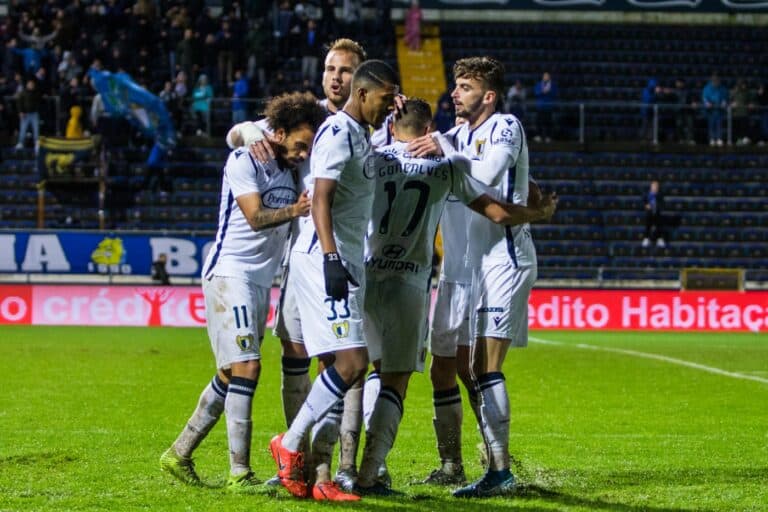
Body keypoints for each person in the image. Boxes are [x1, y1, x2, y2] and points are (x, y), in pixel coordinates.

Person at [355, 98, 556, 494]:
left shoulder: (449, 151)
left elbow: (514, 183)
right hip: (450, 277)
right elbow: (504, 202)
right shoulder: (448, 155)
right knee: (443, 370)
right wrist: (538, 210)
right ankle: (453, 464)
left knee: (469, 369)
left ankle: (496, 460)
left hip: (470, 272)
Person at [225, 38, 373, 496]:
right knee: (294, 354)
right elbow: (235, 133)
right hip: (301, 261)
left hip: (343, 257)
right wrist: (251, 134)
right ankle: (298, 462)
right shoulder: (304, 120)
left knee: (343, 360)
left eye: (346, 70)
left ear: (360, 80)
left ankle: (334, 467)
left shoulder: (364, 125)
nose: (335, 77)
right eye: (330, 68)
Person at [159, 91, 325, 492]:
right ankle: (240, 473)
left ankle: (179, 454)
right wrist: (295, 210)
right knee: (249, 366)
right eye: (299, 145)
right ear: (279, 133)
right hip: (229, 274)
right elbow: (254, 217)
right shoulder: (245, 160)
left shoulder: (291, 166)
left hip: (261, 279)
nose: (303, 154)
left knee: (230, 371)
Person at [408, 56, 543, 497]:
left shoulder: (506, 125)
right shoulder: (456, 135)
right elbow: (405, 144)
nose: (454, 92)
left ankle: (500, 470)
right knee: (442, 369)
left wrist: (443, 150)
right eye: (455, 85)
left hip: (501, 261)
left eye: (464, 86)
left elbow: (483, 176)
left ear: (488, 95)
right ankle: (452, 464)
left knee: (483, 368)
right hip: (458, 273)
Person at [268, 59, 399, 501]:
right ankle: (288, 445)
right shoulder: (339, 132)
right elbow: (320, 199)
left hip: (345, 260)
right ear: (363, 95)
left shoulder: (360, 134)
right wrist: (330, 259)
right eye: (384, 98)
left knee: (334, 369)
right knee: (352, 364)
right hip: (326, 260)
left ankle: (321, 480)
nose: (387, 106)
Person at [16, 78, 42, 151]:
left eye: (32, 84)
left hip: (34, 113)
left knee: (36, 129)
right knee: (23, 129)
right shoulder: (23, 92)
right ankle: (21, 143)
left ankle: (36, 143)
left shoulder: (36, 93)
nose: (31, 85)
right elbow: (19, 103)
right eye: (29, 84)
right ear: (27, 85)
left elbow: (39, 102)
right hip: (25, 114)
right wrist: (20, 112)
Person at [702, 73, 728, 147]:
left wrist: (724, 101)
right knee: (711, 125)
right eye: (714, 80)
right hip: (710, 110)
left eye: (717, 80)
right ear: (712, 81)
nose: (716, 82)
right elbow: (704, 97)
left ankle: (719, 138)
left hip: (719, 110)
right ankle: (712, 139)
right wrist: (706, 102)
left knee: (719, 125)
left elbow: (725, 96)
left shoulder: (722, 88)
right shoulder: (707, 88)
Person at [533, 71, 557, 143]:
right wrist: (543, 92)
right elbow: (536, 92)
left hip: (549, 106)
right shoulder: (539, 84)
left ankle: (548, 136)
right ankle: (539, 136)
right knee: (539, 122)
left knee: (549, 122)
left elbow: (555, 93)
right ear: (543, 77)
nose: (546, 77)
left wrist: (548, 92)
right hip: (540, 106)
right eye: (545, 76)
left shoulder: (553, 85)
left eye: (547, 76)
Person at [642, 180, 665, 248]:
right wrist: (646, 205)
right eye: (654, 186)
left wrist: (658, 206)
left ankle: (659, 239)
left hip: (657, 213)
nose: (655, 187)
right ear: (651, 187)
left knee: (659, 227)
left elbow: (663, 203)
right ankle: (646, 239)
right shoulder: (646, 194)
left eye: (656, 186)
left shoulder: (660, 195)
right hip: (649, 213)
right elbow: (643, 202)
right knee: (648, 226)